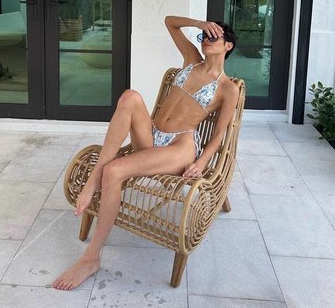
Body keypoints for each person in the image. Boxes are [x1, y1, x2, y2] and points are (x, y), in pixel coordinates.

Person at [52, 15, 239, 291]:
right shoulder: (191, 59)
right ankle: (93, 180)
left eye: (214, 37)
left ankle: (91, 258)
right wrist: (200, 24)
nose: (207, 40)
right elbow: (169, 22)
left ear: (228, 46)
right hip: (152, 135)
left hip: (180, 146)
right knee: (130, 96)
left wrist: (201, 162)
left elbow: (220, 133)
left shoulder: (228, 88)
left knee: (114, 171)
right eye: (205, 36)